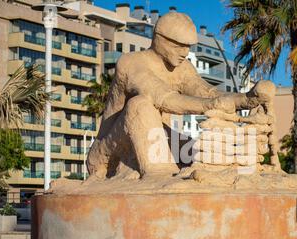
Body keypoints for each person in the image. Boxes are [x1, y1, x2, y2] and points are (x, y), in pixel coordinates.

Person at [87, 12, 272, 179]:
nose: (184, 52)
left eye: (188, 47)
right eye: (178, 46)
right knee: (140, 104)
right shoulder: (131, 63)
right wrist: (212, 105)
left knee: (205, 154)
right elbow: (165, 99)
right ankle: (159, 174)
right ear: (158, 39)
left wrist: (248, 99)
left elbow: (207, 92)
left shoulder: (182, 68)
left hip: (159, 142)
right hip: (109, 152)